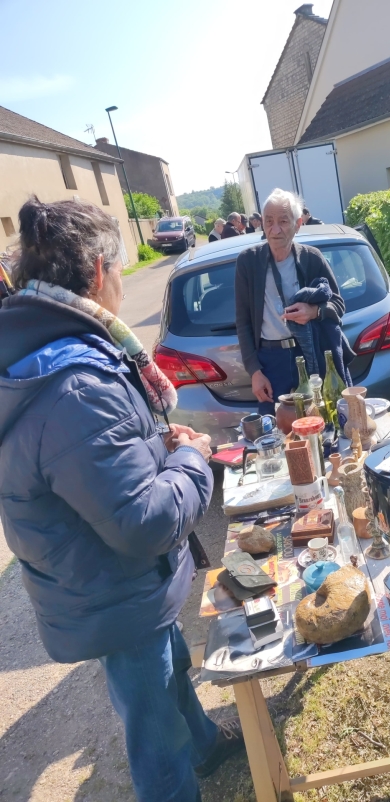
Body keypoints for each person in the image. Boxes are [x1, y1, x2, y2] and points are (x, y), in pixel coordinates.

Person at [0, 197, 244, 802]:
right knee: (152, 729)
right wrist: (192, 460)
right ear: (97, 272)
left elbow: (93, 462)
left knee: (171, 671)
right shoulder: (75, 382)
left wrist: (158, 445)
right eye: (116, 266)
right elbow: (142, 521)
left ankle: (205, 746)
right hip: (112, 586)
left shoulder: (57, 351)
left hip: (109, 580)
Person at [235, 188, 345, 414]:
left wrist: (314, 311)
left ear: (297, 225)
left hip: (310, 354)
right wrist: (255, 372)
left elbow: (338, 305)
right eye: (269, 221)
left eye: (283, 221)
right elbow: (243, 322)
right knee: (277, 429)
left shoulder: (311, 257)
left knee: (322, 421)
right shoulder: (248, 262)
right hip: (270, 361)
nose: (275, 230)